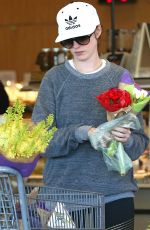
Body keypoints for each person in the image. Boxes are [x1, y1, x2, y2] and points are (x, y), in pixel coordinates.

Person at [32, 2, 149, 229]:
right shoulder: (54, 80)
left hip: (115, 196)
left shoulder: (120, 77)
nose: (75, 46)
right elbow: (40, 141)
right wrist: (82, 133)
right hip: (64, 201)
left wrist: (127, 138)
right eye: (68, 41)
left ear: (97, 31)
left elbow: (138, 146)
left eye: (82, 38)